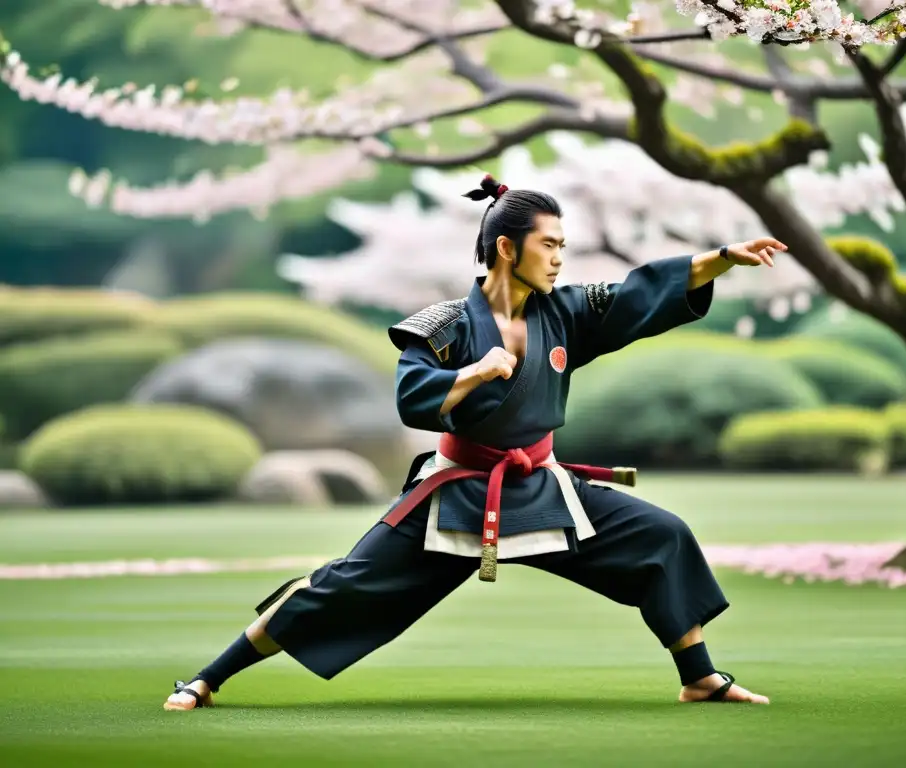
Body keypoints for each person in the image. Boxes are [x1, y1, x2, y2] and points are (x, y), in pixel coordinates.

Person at [163, 175, 783, 712]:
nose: (560, 258)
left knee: (661, 534)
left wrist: (723, 256)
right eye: (550, 245)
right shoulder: (442, 325)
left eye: (564, 246)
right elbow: (413, 396)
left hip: (541, 485)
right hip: (457, 495)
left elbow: (636, 293)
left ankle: (699, 677)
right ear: (508, 249)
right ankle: (208, 677)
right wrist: (475, 372)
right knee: (341, 587)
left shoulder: (563, 312)